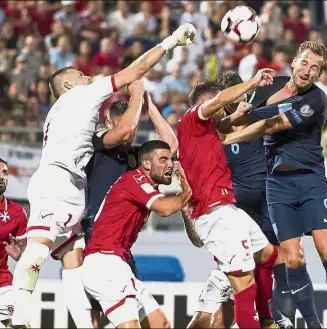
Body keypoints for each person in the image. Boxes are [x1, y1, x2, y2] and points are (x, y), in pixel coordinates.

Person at [10, 23, 197, 329]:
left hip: (79, 198)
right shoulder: (80, 102)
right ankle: (18, 319)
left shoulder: (80, 123)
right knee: (39, 247)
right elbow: (133, 74)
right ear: (70, 86)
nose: (88, 77)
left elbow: (168, 146)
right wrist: (171, 42)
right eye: (81, 76)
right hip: (64, 189)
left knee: (71, 259)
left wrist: (147, 107)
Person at [222, 41, 327, 329]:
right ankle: (314, 325)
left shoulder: (316, 100)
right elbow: (242, 117)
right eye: (305, 63)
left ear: (319, 76)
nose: (308, 71)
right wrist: (232, 118)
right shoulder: (269, 87)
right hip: (277, 185)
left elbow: (271, 124)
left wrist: (230, 134)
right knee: (292, 259)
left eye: (315, 68)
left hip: (310, 180)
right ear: (293, 61)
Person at [187, 72, 294, 329]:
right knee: (231, 297)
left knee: (280, 260)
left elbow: (283, 89)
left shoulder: (254, 116)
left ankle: (279, 319)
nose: (232, 103)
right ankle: (269, 319)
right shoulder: (209, 132)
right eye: (227, 99)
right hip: (233, 218)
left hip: (263, 210)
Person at [83, 88, 177, 328]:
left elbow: (170, 146)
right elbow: (123, 131)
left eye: (135, 128)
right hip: (93, 239)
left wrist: (150, 106)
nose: (131, 133)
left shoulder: (136, 156)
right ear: (107, 123)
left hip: (119, 247)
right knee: (93, 317)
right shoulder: (97, 144)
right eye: (126, 125)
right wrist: (136, 95)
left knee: (134, 317)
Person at [82, 140, 191, 328]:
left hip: (117, 264)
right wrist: (189, 189)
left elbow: (172, 141)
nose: (170, 164)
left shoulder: (144, 187)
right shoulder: (135, 180)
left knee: (160, 324)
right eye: (163, 159)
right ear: (146, 164)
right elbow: (165, 209)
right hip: (104, 264)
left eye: (171, 159)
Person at [0, 159, 28, 329]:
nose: (1, 177)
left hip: (2, 282)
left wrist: (20, 257)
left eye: (4, 173)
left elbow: (28, 258)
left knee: (19, 318)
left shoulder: (16, 213)